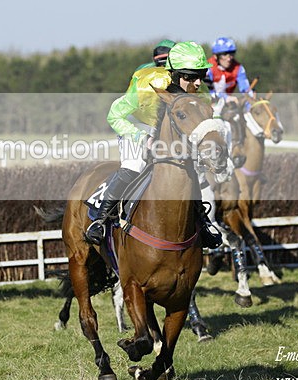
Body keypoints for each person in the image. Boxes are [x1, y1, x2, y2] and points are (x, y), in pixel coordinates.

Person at [84, 41, 213, 245]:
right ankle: (100, 220)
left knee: (189, 168)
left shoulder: (200, 92)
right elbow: (115, 115)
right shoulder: (147, 85)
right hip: (137, 124)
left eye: (202, 75)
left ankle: (202, 222)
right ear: (175, 74)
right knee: (134, 166)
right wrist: (141, 138)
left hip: (167, 129)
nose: (198, 83)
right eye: (191, 76)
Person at [206, 37, 255, 104]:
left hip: (227, 105)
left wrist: (252, 101)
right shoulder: (207, 68)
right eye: (225, 54)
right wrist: (225, 97)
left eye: (231, 54)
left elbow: (246, 90)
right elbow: (207, 92)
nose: (229, 59)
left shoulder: (239, 68)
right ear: (215, 56)